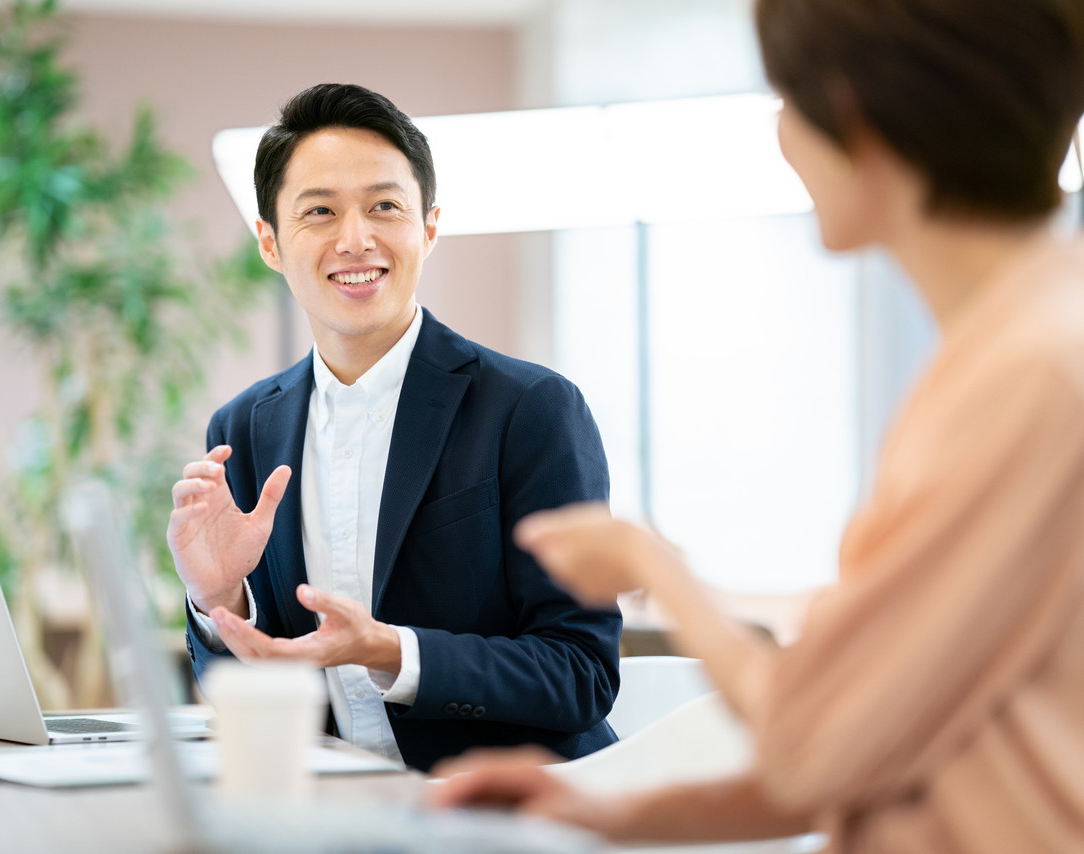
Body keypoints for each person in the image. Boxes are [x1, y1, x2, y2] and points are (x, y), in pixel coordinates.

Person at [431, 1, 1084, 851]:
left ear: (857, 112)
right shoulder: (1011, 345)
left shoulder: (1028, 376)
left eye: (783, 99)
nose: (780, 135)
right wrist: (606, 812)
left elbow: (812, 734)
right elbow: (872, 746)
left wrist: (648, 562)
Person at [166, 83, 620, 773]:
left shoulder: (531, 409)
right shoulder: (243, 428)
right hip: (334, 810)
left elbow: (580, 672)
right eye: (319, 211)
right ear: (270, 242)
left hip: (510, 814)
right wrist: (220, 600)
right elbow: (249, 690)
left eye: (384, 206)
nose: (356, 239)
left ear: (429, 227)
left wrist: (387, 649)